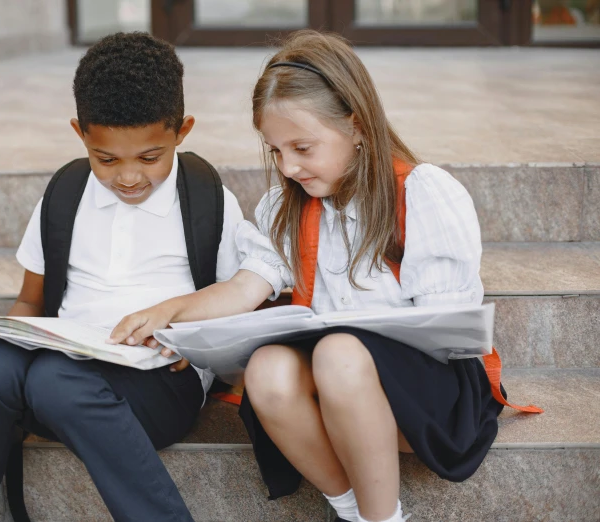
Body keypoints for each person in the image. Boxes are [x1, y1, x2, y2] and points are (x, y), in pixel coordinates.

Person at [110, 30, 516, 522]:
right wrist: (168, 313)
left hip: (430, 400)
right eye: (275, 150)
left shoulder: (422, 193)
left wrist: (354, 339)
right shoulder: (285, 206)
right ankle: (352, 510)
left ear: (358, 126)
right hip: (333, 392)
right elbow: (244, 287)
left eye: (302, 147)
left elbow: (447, 332)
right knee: (269, 369)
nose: (289, 167)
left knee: (340, 351)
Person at [0, 32, 244, 522]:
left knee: (57, 379)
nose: (128, 176)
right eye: (107, 159)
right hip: (56, 370)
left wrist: (200, 347)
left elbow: (234, 298)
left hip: (159, 385)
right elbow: (29, 302)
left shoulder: (207, 201)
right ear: (81, 133)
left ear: (182, 131)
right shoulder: (63, 198)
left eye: (150, 157)